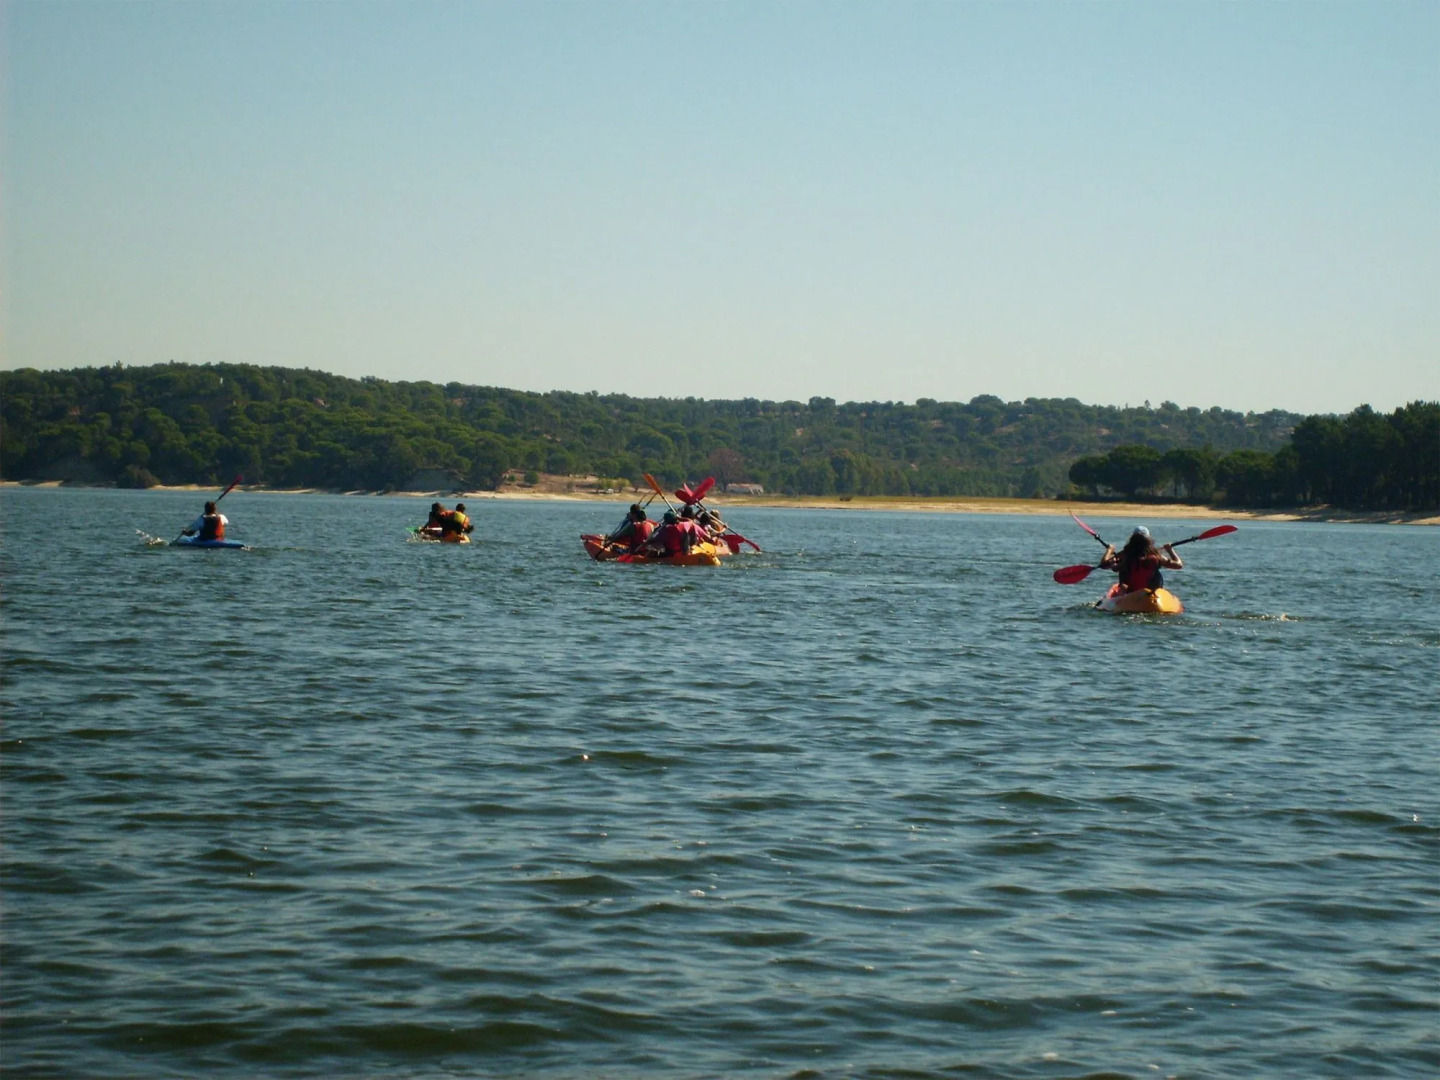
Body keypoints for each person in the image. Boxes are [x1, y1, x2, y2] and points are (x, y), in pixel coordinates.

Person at [1101, 526, 1182, 593]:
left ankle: (1124, 594)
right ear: (1148, 540)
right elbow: (1178, 565)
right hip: (1150, 592)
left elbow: (1104, 565)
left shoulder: (1125, 555)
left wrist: (1109, 550)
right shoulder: (1156, 556)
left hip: (1130, 592)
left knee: (1122, 572)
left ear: (1132, 539)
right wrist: (1170, 550)